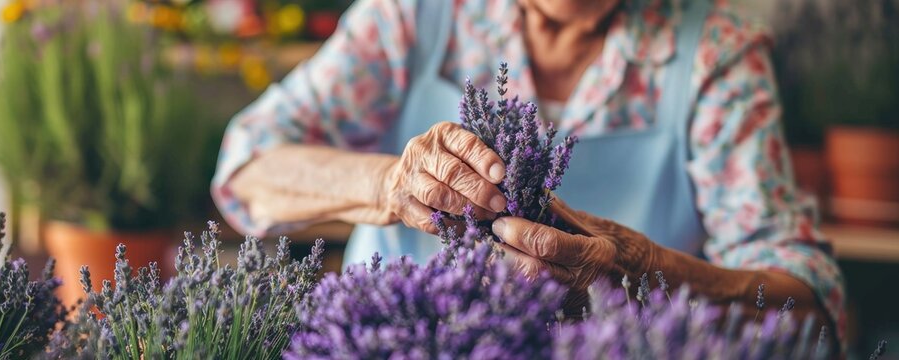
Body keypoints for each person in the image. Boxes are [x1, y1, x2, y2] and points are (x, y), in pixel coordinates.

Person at [212, 0, 844, 341]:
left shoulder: (713, 54)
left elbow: (815, 306)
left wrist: (641, 268)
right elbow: (249, 167)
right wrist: (388, 186)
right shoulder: (415, 17)